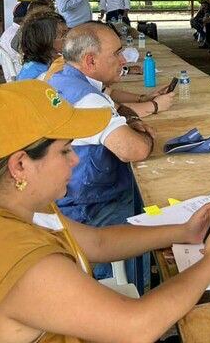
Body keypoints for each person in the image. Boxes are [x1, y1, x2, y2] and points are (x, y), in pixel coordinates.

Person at [0, 80, 210, 343]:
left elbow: (97, 243)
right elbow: (136, 328)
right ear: (21, 165)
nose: (75, 160)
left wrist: (182, 232)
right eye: (65, 150)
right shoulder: (23, 263)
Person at [48, 22, 174, 285]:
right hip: (91, 206)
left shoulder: (62, 78)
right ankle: (131, 287)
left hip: (67, 199)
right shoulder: (88, 100)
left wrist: (129, 117)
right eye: (116, 53)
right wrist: (147, 135)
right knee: (161, 202)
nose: (122, 59)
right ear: (90, 60)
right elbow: (134, 150)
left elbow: (115, 105)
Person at [17, 12, 68, 81]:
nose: (69, 37)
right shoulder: (44, 74)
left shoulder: (43, 62)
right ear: (45, 40)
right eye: (63, 35)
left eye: (68, 32)